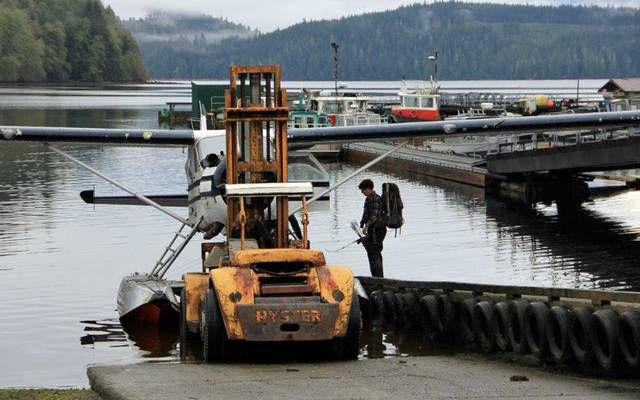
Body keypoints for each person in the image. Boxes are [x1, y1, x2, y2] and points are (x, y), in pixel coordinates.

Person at [358, 179, 387, 277]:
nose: (362, 192)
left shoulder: (375, 198)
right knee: (374, 253)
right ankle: (379, 278)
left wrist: (366, 226)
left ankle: (377, 278)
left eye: (362, 190)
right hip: (373, 230)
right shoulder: (369, 198)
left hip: (377, 230)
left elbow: (374, 215)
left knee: (373, 253)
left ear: (368, 188)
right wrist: (365, 226)